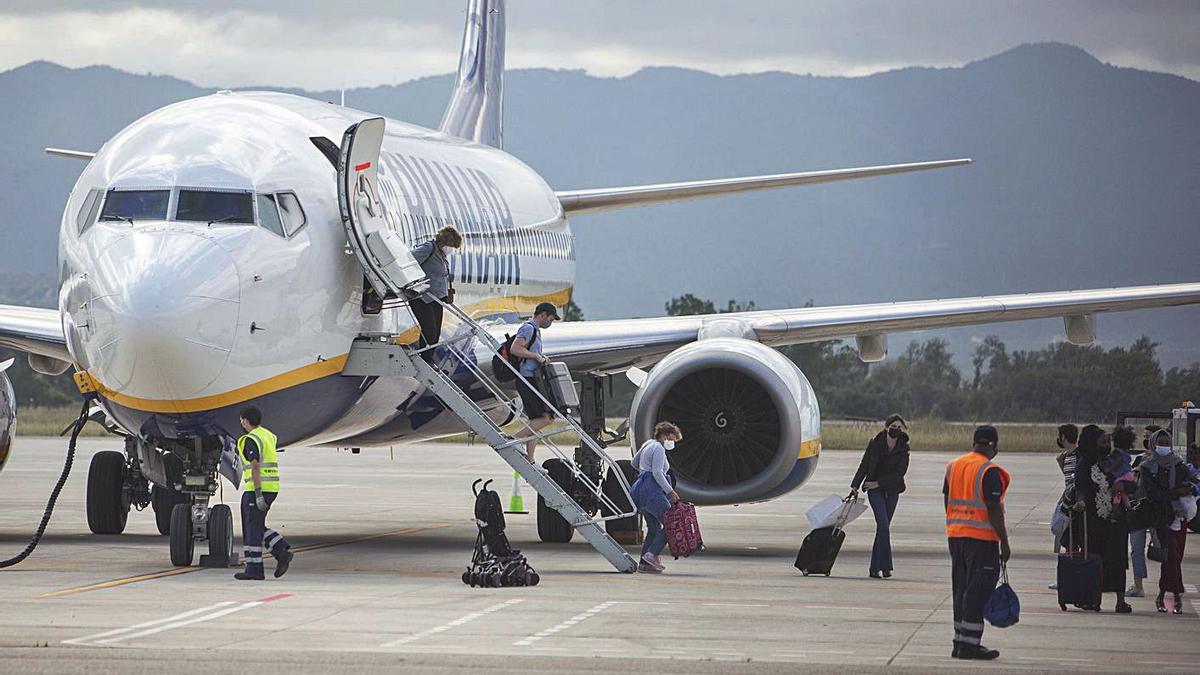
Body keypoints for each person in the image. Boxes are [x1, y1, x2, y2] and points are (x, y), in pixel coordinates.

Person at [944, 425, 1010, 661]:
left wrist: (954, 527)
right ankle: (970, 646)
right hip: (981, 540)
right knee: (978, 591)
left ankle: (959, 641)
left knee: (960, 589)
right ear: (993, 445)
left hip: (956, 536)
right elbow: (993, 510)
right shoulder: (989, 471)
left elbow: (947, 498)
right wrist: (1004, 541)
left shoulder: (954, 466)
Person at [1070, 425, 1131, 612]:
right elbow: (1080, 488)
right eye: (1103, 442)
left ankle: (1120, 601)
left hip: (1115, 520)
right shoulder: (1084, 465)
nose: (1107, 445)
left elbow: (1126, 481)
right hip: (1093, 521)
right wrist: (1080, 502)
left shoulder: (1111, 462)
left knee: (1118, 559)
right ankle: (1092, 597)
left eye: (1108, 442)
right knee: (1095, 560)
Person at [234, 406, 293, 581]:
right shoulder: (267, 435)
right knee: (256, 525)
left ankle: (255, 569)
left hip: (257, 489)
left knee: (252, 528)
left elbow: (255, 466)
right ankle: (280, 551)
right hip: (271, 487)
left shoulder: (250, 439)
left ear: (245, 421)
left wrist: (258, 493)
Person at [850, 414, 910, 579]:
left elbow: (900, 473)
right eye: (894, 426)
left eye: (899, 427)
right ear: (886, 426)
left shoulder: (904, 448)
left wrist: (878, 483)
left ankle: (874, 568)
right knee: (883, 526)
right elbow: (865, 464)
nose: (896, 430)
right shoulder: (875, 443)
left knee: (883, 530)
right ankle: (885, 567)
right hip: (873, 490)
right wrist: (855, 485)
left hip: (891, 489)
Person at [1138, 430, 1192, 613]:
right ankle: (1177, 596)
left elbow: (1190, 483)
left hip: (1179, 515)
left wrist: (1188, 489)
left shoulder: (1179, 465)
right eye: (1160, 443)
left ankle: (1161, 594)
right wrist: (1176, 493)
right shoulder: (1147, 467)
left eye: (1166, 443)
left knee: (1175, 557)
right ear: (1153, 444)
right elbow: (1153, 494)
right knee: (1171, 557)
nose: (1163, 447)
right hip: (1161, 517)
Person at [510, 302, 560, 462]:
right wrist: (536, 356)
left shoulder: (535, 331)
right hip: (527, 379)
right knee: (547, 418)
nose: (550, 323)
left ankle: (530, 459)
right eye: (550, 319)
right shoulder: (528, 328)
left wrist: (541, 357)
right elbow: (515, 349)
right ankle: (516, 438)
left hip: (532, 378)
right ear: (543, 315)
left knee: (535, 422)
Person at [630, 421, 681, 573]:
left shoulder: (648, 444)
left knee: (653, 528)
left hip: (641, 491)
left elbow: (634, 462)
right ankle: (651, 555)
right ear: (665, 436)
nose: (673, 443)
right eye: (672, 439)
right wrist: (670, 491)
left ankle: (644, 564)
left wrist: (644, 471)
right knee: (671, 524)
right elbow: (658, 473)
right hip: (653, 491)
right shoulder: (658, 448)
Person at [408, 225, 463, 361]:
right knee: (429, 330)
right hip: (422, 297)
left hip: (436, 298)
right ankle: (425, 359)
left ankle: (428, 358)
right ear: (443, 242)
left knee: (436, 332)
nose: (451, 250)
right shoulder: (429, 249)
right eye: (451, 246)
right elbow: (409, 262)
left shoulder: (441, 254)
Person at [1049, 423, 1079, 589]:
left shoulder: (1074, 457)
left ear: (1064, 438)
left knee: (1068, 541)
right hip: (1069, 500)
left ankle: (1065, 579)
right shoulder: (1068, 457)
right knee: (1067, 542)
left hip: (1071, 504)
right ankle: (1065, 578)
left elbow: (1074, 483)